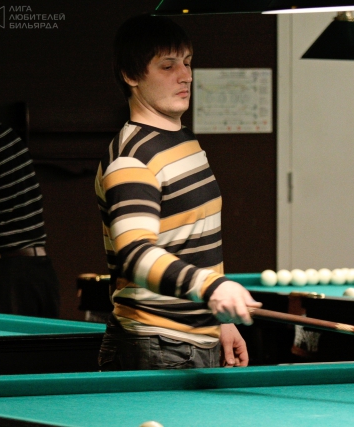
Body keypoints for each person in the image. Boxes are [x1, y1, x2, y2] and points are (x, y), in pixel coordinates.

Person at [95, 14, 262, 371]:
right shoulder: (132, 158)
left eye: (187, 62)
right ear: (131, 75)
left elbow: (193, 242)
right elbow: (135, 254)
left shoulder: (183, 141)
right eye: (168, 66)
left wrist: (220, 320)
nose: (186, 75)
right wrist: (212, 288)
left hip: (192, 341)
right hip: (155, 345)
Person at [0, 73, 60, 318]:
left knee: (1, 345)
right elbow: (9, 212)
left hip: (7, 278)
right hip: (36, 270)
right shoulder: (4, 135)